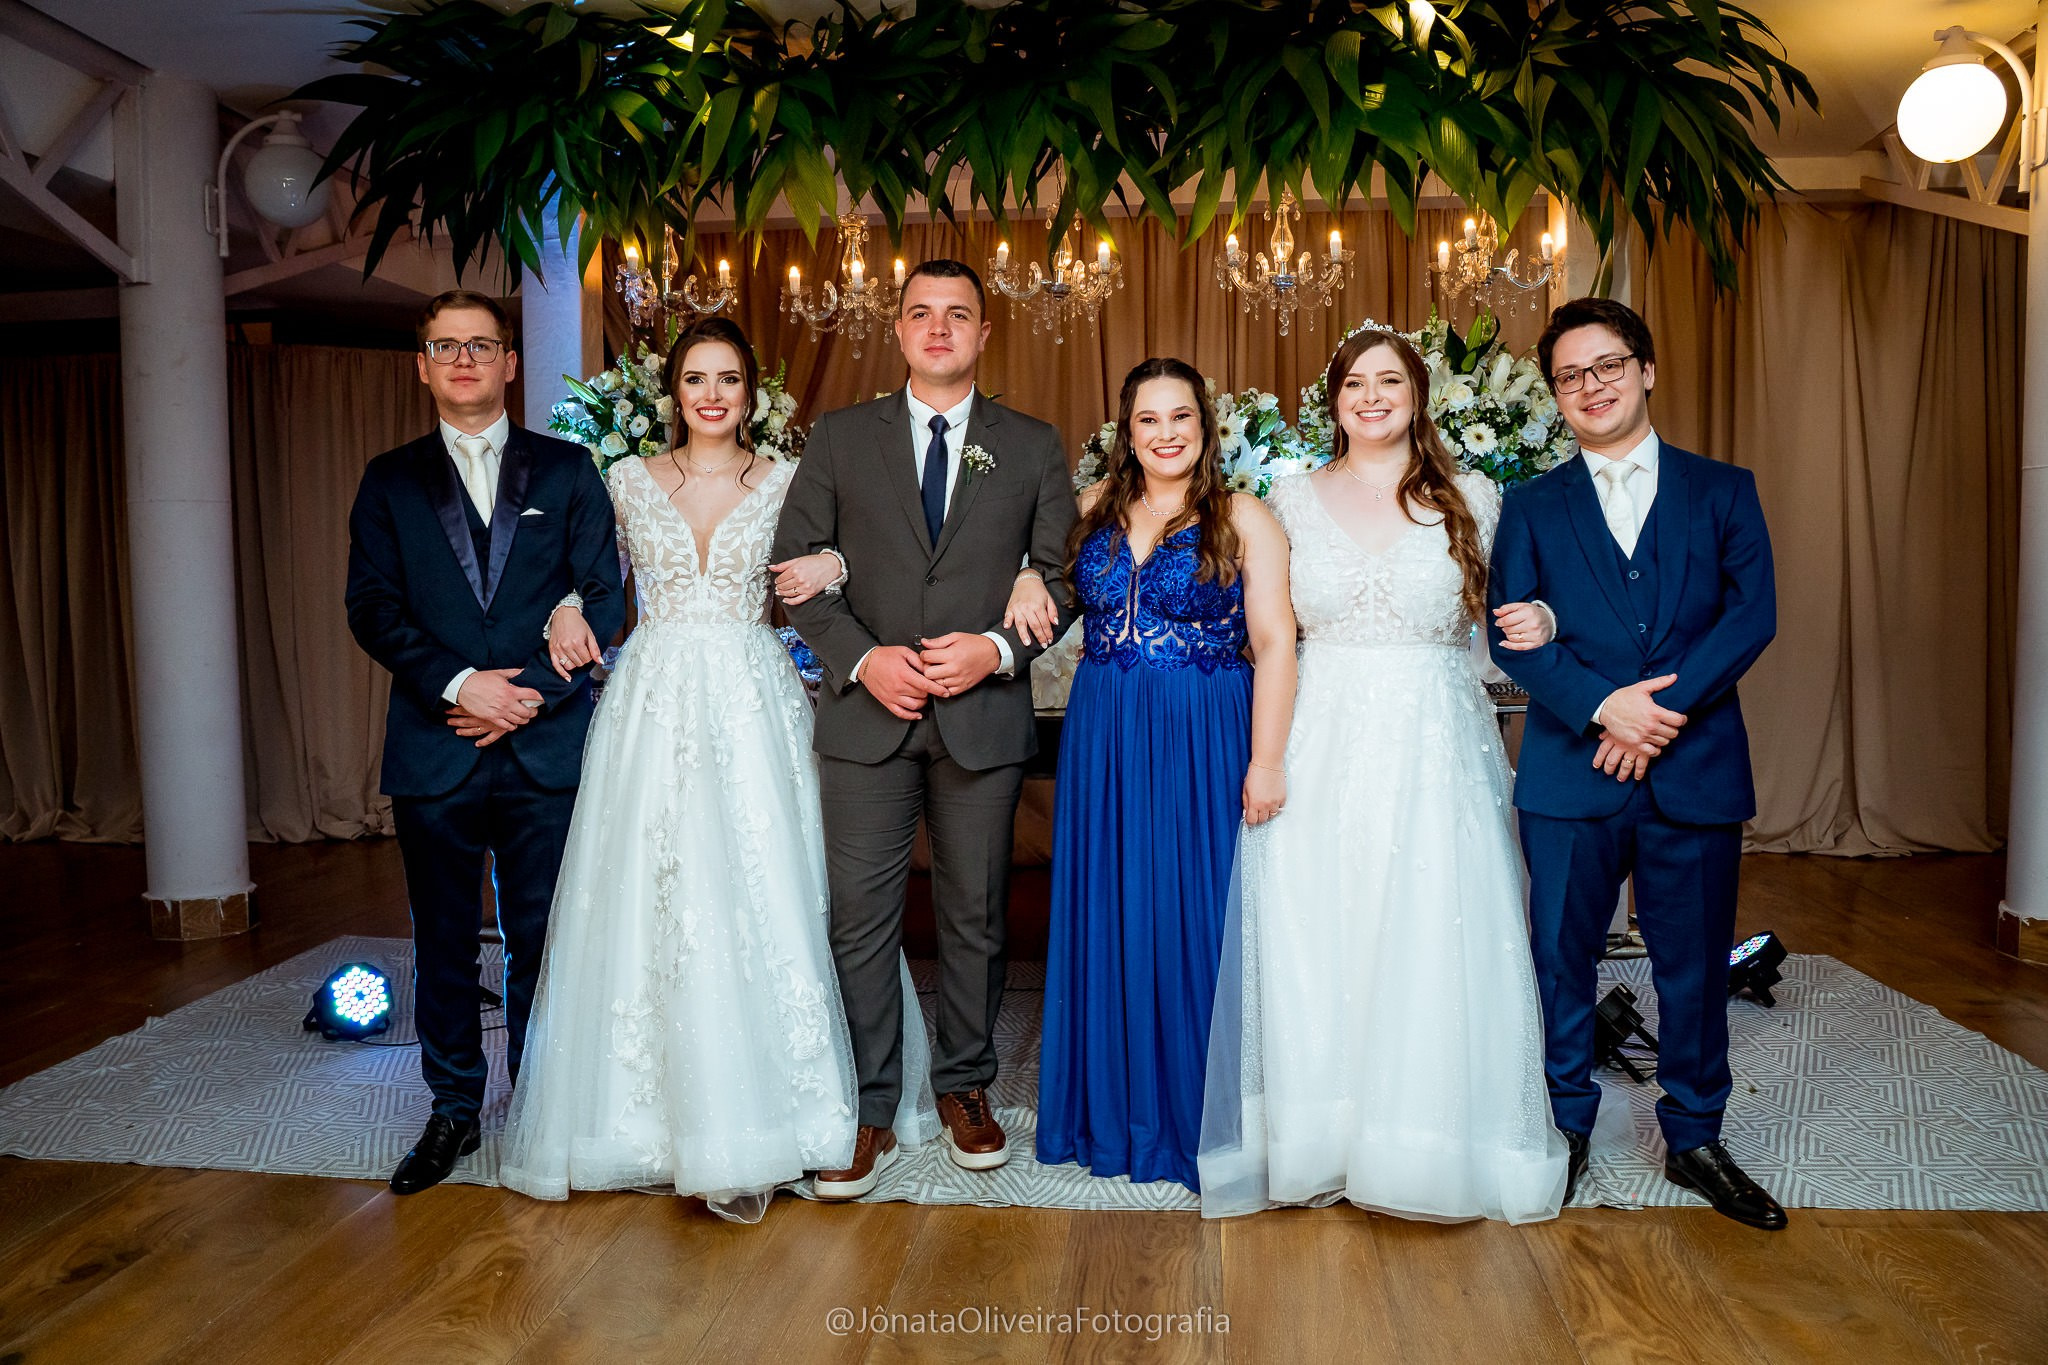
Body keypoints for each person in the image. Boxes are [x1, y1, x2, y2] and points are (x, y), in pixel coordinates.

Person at [493, 317, 929, 1220]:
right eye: (696, 378)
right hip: (650, 697)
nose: (713, 394)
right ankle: (637, 1119)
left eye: (729, 377)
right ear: (674, 392)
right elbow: (575, 572)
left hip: (751, 690)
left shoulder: (788, 479)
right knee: (647, 884)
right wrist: (568, 602)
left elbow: (855, 559)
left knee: (764, 881)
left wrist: (834, 557)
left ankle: (794, 1108)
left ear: (751, 389)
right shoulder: (621, 480)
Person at [1198, 328, 1568, 1222]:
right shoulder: (1288, 498)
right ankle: (1318, 1137)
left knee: (1431, 928)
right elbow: (1261, 627)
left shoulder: (1475, 495)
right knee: (1317, 930)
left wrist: (1548, 620)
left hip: (1435, 744)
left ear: (1417, 394)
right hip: (1319, 736)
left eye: (1389, 380)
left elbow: (1513, 615)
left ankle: (1424, 1141)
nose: (1372, 396)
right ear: (1334, 401)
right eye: (1355, 383)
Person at [771, 260, 1080, 1198]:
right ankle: (867, 1108)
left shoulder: (1030, 444)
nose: (938, 329)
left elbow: (1063, 581)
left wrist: (996, 648)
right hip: (866, 716)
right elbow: (793, 568)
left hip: (981, 718)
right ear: (898, 331)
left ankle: (965, 1087)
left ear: (985, 333)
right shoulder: (837, 437)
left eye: (958, 316)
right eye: (920, 315)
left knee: (976, 916)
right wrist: (865, 658)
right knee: (859, 918)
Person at [1487, 297, 1782, 1230]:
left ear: (1646, 370)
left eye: (1608, 365)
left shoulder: (1723, 488)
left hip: (1692, 768)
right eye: (1571, 375)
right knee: (1560, 958)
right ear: (1557, 395)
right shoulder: (1530, 506)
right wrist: (1600, 705)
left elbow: (1752, 615)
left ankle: (1695, 1135)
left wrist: (1657, 709)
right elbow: (1515, 635)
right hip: (1572, 774)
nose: (1591, 386)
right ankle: (1565, 1123)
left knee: (1692, 965)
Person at [344, 290, 624, 1195]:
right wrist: (465, 686)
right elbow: (373, 608)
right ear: (421, 365)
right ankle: (454, 1108)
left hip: (547, 749)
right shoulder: (388, 479)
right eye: (444, 345)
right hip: (437, 743)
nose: (464, 359)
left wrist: (527, 695)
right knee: (443, 937)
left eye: (482, 344)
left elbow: (605, 597)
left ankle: (543, 1100)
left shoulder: (570, 469)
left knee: (547, 934)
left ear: (511, 362)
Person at [1036, 357, 1295, 1191]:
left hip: (1204, 727)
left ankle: (1198, 1122)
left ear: (1205, 426)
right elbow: (1041, 588)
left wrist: (1266, 760)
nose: (1166, 433)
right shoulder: (1088, 512)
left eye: (1180, 416)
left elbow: (1278, 642)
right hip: (1106, 731)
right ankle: (1111, 1113)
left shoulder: (1243, 515)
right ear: (1126, 432)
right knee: (1113, 910)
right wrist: (1018, 573)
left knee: (1194, 916)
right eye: (1149, 419)